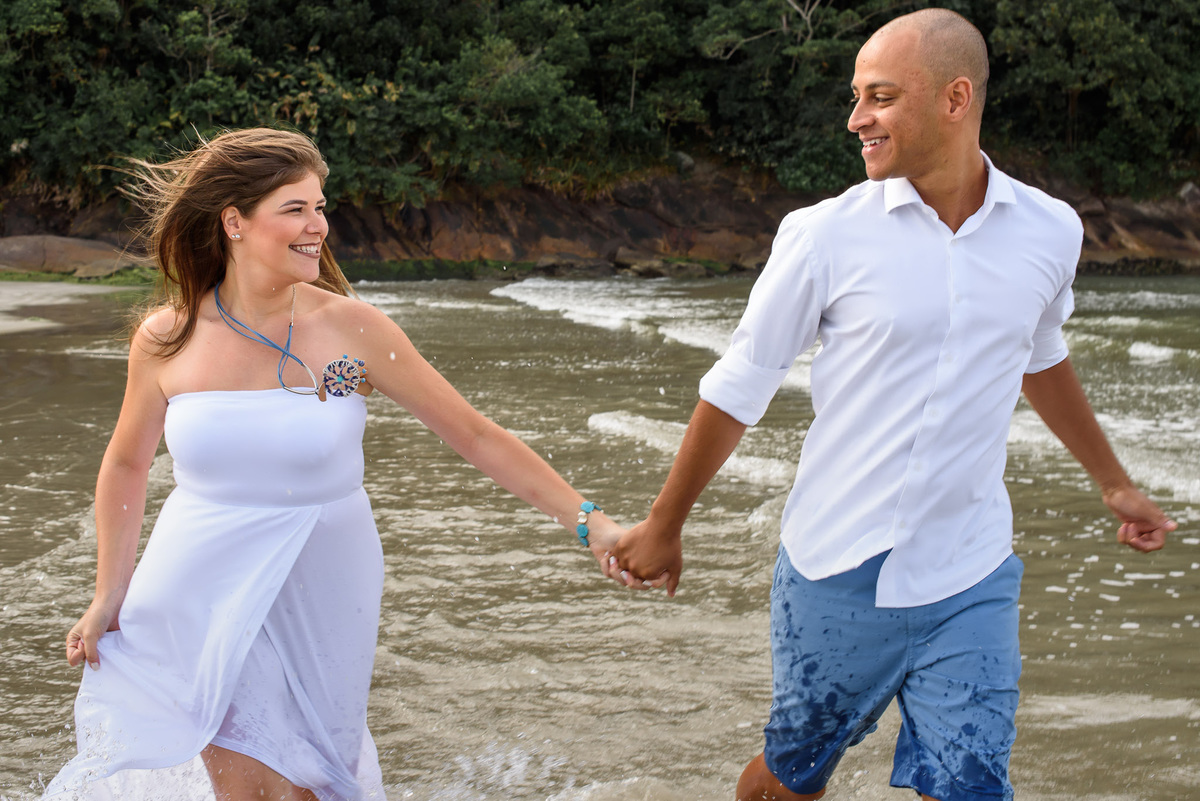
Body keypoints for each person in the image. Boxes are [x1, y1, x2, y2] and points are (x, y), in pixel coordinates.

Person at [610, 9, 1176, 801]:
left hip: (971, 571)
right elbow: (741, 384)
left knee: (973, 784)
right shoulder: (822, 235)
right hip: (836, 566)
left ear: (954, 98)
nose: (856, 119)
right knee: (790, 779)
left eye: (879, 96)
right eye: (855, 96)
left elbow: (1040, 355)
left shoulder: (1050, 230)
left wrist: (1112, 481)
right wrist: (665, 524)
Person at [45, 127, 640, 800]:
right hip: (199, 579)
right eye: (294, 208)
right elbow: (126, 464)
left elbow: (475, 435)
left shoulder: (352, 331)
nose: (317, 227)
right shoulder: (168, 337)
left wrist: (594, 524)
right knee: (252, 787)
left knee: (313, 784)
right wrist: (107, 594)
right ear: (234, 221)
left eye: (320, 207)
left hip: (326, 579)